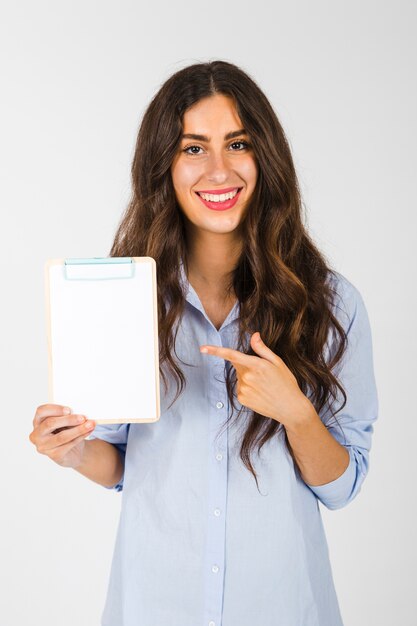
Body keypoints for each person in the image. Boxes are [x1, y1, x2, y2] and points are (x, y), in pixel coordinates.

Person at [29, 60, 378, 626]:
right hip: (153, 608)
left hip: (283, 610)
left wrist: (297, 414)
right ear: (163, 165)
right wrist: (72, 450)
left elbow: (342, 488)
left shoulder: (331, 304)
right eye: (193, 149)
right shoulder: (126, 299)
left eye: (236, 143)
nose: (218, 170)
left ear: (265, 156)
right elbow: (122, 464)